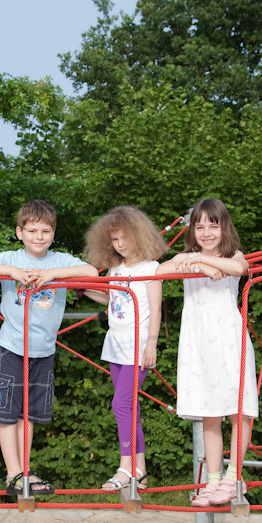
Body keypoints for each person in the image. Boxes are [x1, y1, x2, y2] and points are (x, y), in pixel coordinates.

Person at [0, 200, 98, 497]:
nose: (39, 236)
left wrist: (52, 276)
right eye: (32, 230)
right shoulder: (11, 258)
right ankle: (13, 474)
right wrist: (12, 273)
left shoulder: (59, 261)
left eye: (46, 231)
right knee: (6, 413)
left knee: (30, 415)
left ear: (54, 234)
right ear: (19, 232)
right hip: (12, 347)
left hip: (44, 350)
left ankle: (25, 470)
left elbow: (91, 272)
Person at [158, 198, 258, 507]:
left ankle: (232, 477)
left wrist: (207, 263)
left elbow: (239, 267)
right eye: (199, 226)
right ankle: (212, 481)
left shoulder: (232, 254)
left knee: (239, 409)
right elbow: (161, 270)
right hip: (199, 341)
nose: (206, 232)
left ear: (223, 227)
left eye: (213, 225)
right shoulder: (187, 257)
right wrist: (200, 263)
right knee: (209, 413)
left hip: (228, 336)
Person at [83, 206, 167, 491]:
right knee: (131, 407)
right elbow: (110, 300)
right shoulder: (115, 268)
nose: (119, 245)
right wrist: (81, 288)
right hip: (115, 343)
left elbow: (156, 309)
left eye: (124, 238)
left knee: (121, 404)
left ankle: (125, 467)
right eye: (114, 239)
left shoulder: (150, 269)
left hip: (138, 346)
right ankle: (139, 469)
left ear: (139, 235)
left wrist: (151, 344)